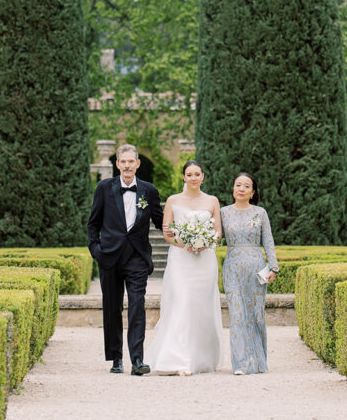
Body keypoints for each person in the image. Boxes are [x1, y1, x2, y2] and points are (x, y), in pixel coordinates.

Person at [87, 143, 163, 375]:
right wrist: (97, 251)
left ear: (138, 164)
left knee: (137, 306)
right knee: (112, 308)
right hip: (109, 258)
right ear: (117, 164)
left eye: (132, 161)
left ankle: (137, 360)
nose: (128, 165)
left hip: (137, 258)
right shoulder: (103, 188)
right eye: (124, 161)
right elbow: (93, 223)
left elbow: (161, 222)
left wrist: (187, 232)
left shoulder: (149, 191)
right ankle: (116, 359)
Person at [144, 159, 224, 375]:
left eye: (197, 174)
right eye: (189, 174)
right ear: (183, 177)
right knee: (183, 301)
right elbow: (167, 232)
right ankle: (178, 359)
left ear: (203, 176)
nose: (193, 178)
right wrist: (185, 244)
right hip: (181, 259)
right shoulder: (172, 200)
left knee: (201, 306)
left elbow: (218, 231)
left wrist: (204, 242)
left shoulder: (212, 201)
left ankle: (200, 358)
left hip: (205, 259)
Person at [220, 172, 278, 374]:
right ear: (233, 189)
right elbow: (214, 236)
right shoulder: (223, 212)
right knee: (236, 314)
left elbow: (268, 241)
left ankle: (258, 360)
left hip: (256, 267)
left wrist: (273, 267)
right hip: (232, 267)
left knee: (256, 315)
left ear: (253, 192)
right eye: (238, 185)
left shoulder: (260, 213)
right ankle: (240, 363)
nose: (241, 189)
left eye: (246, 186)